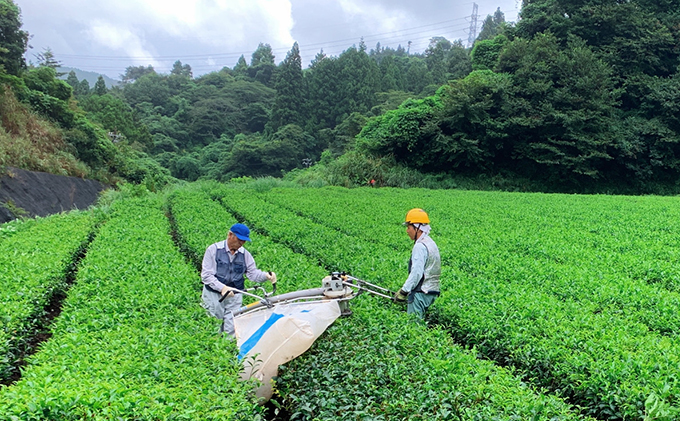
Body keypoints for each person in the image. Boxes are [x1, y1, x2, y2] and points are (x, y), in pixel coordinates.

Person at [201, 223, 277, 336]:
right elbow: (206, 275)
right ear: (230, 235)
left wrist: (266, 276)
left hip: (235, 295)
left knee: (232, 328)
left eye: (244, 241)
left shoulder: (245, 254)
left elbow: (252, 274)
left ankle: (228, 350)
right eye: (240, 240)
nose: (242, 243)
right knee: (213, 325)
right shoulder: (213, 250)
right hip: (214, 295)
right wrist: (222, 288)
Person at [393, 208, 441, 320]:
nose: (407, 231)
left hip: (420, 293)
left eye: (408, 227)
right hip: (431, 292)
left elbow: (416, 272)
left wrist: (404, 291)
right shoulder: (430, 242)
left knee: (414, 329)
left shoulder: (419, 247)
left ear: (417, 228)